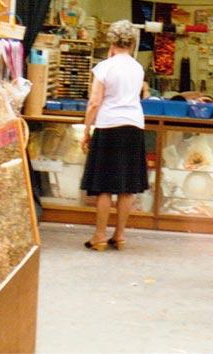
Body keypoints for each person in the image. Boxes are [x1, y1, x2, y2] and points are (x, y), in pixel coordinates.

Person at [79, 20, 148, 251]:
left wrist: (86, 129)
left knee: (105, 186)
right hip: (134, 126)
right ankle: (119, 236)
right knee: (127, 186)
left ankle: (99, 236)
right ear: (132, 42)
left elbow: (95, 101)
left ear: (111, 41)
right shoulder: (138, 68)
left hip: (109, 125)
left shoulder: (104, 67)